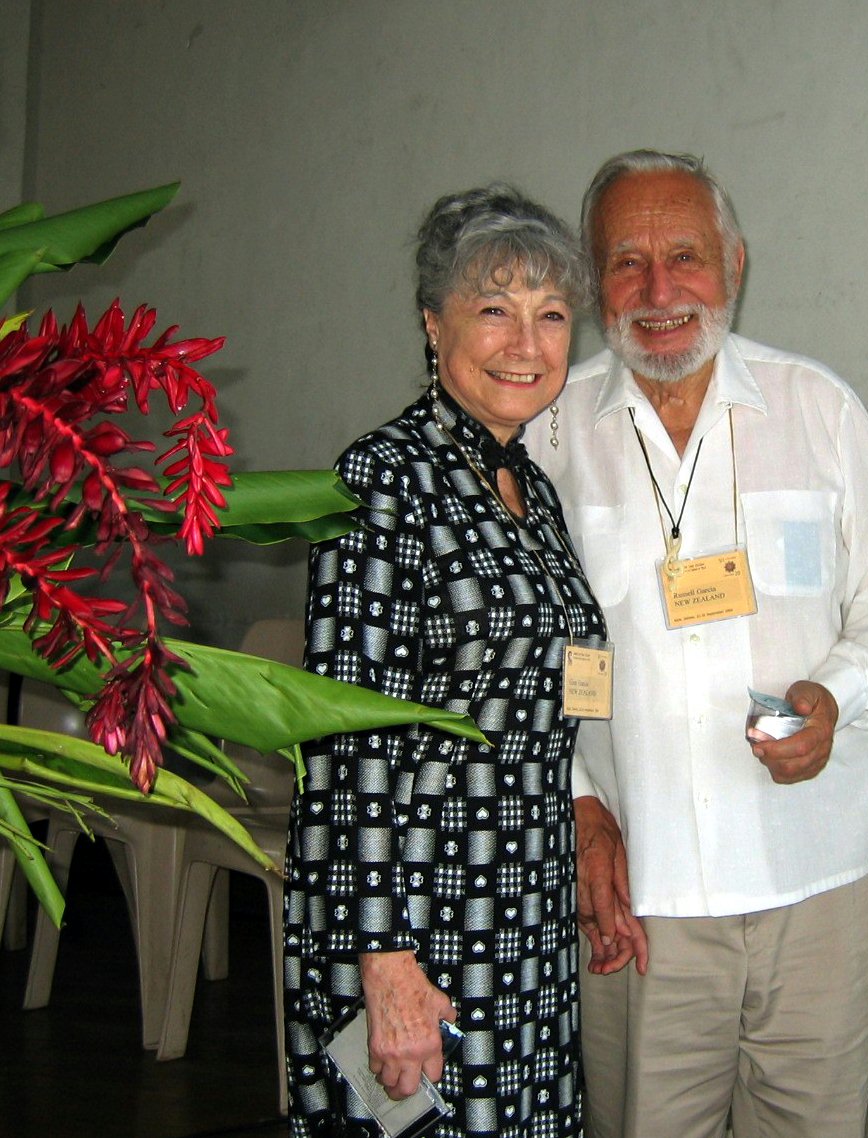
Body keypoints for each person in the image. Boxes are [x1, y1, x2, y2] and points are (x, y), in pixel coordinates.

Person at [526, 150, 868, 1138]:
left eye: (687, 256)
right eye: (627, 262)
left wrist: (839, 691)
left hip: (819, 883)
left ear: (737, 264)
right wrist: (582, 814)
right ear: (592, 283)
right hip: (645, 892)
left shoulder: (817, 410)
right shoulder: (551, 434)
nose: (659, 291)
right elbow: (533, 659)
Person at [284, 184, 606, 1138]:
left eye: (551, 315)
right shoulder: (383, 480)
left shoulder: (531, 494)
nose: (526, 342)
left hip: (523, 909)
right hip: (417, 917)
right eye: (492, 310)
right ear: (433, 324)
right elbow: (346, 747)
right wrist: (384, 966)